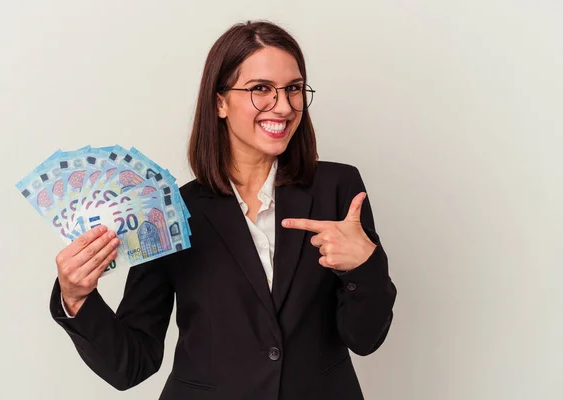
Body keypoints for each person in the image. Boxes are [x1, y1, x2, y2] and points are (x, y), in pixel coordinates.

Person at [50, 20, 397, 400]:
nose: (283, 106)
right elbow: (132, 364)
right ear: (219, 102)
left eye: (293, 89)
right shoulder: (168, 212)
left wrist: (365, 266)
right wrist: (76, 298)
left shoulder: (339, 190)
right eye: (261, 89)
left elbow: (364, 339)